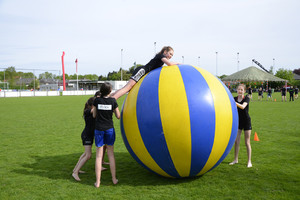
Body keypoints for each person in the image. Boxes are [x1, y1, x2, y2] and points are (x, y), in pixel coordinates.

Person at [111, 46, 180, 100]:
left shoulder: (161, 61)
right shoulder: (161, 56)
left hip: (143, 72)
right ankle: (112, 100)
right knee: (128, 87)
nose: (170, 56)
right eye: (170, 54)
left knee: (127, 88)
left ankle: (110, 96)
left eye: (172, 55)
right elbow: (170, 64)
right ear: (165, 51)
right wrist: (179, 63)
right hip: (142, 71)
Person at [93, 82, 120, 188]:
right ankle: (114, 179)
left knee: (98, 156)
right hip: (109, 129)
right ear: (110, 91)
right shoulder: (113, 101)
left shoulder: (97, 100)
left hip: (99, 129)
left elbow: (94, 115)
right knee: (111, 155)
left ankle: (98, 182)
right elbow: (118, 116)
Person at [72, 97, 96, 181]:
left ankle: (75, 169)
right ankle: (75, 173)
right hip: (86, 135)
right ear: (92, 105)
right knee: (88, 155)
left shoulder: (91, 110)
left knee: (85, 154)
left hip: (89, 135)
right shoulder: (88, 111)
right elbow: (93, 111)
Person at [229, 84, 252, 168]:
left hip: (246, 122)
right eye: (238, 89)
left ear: (244, 91)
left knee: (247, 142)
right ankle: (235, 159)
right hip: (238, 122)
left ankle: (249, 161)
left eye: (241, 90)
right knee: (236, 141)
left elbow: (242, 106)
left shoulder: (246, 98)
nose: (240, 91)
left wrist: (233, 102)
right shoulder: (234, 99)